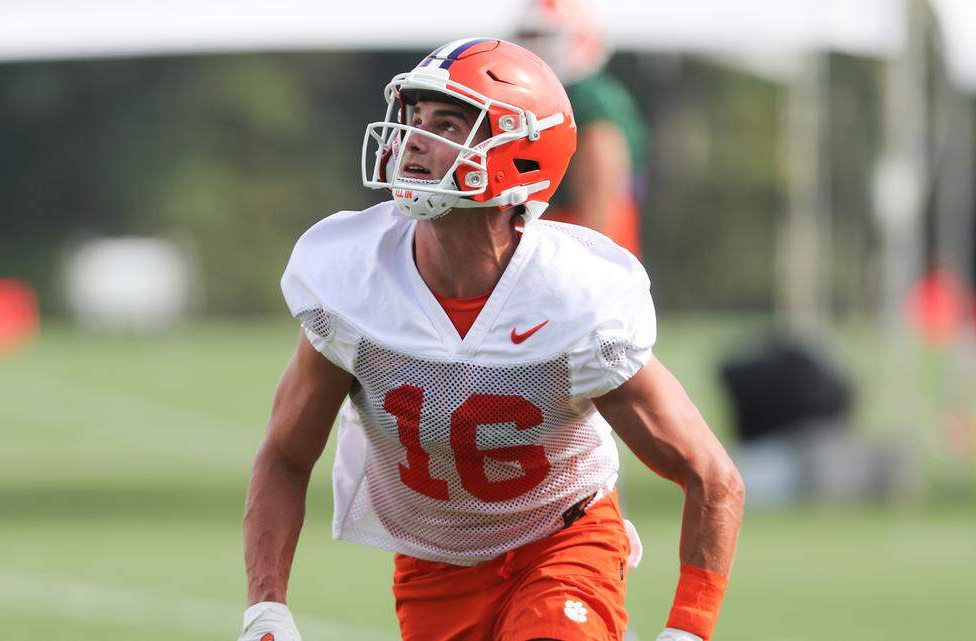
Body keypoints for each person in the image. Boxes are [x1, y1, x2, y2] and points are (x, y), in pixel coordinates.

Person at [239, 39, 743, 641]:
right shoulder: (353, 281)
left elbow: (712, 477)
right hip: (434, 563)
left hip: (563, 541)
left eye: (447, 124)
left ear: (521, 155)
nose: (414, 140)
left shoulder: (573, 295)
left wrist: (690, 627)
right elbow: (286, 455)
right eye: (414, 121)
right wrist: (265, 608)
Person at [516, 0, 648, 258]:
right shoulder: (565, 95)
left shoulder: (589, 99)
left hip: (577, 248)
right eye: (527, 34)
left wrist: (586, 262)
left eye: (542, 35)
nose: (531, 43)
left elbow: (599, 200)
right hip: (558, 245)